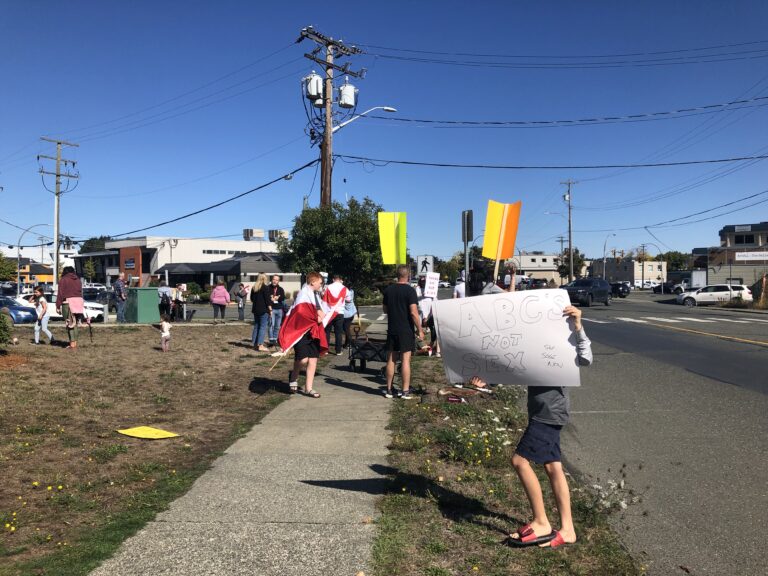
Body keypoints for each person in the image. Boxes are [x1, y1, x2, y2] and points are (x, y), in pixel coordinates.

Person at [506, 305, 592, 550]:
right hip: (540, 411)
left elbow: (586, 358)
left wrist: (578, 326)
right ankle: (568, 530)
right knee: (553, 467)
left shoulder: (564, 341)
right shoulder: (533, 343)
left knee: (519, 461)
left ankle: (542, 522)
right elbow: (511, 365)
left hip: (551, 413)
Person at [279, 272, 327, 397]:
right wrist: (315, 318)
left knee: (313, 360)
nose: (321, 285)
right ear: (313, 282)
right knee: (303, 359)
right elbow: (300, 312)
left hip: (314, 331)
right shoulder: (303, 293)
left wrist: (321, 314)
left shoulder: (315, 294)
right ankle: (294, 377)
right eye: (320, 282)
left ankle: (309, 388)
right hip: (302, 331)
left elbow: (319, 308)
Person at [382, 265, 423, 399]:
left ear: (397, 275)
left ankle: (389, 389)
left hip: (392, 328)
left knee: (391, 360)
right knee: (405, 360)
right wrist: (420, 329)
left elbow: (385, 310)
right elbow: (413, 312)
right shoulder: (410, 291)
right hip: (406, 330)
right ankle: (405, 391)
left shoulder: (388, 290)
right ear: (408, 275)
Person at [56, 266, 83, 350]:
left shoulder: (63, 280)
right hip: (79, 302)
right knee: (75, 324)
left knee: (70, 324)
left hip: (68, 302)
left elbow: (60, 293)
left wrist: (57, 305)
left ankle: (72, 344)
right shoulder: (78, 280)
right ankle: (75, 343)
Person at [322, 273, 347, 355]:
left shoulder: (328, 287)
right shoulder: (344, 288)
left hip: (329, 312)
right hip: (339, 312)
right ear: (340, 279)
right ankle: (338, 350)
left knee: (327, 331)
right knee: (338, 332)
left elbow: (323, 296)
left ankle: (325, 350)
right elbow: (349, 298)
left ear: (333, 279)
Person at [250, 274, 271, 351]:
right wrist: (270, 310)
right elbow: (267, 300)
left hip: (255, 309)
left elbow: (252, 298)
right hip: (263, 310)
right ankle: (260, 345)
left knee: (257, 326)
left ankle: (255, 344)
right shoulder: (265, 287)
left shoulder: (254, 287)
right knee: (262, 327)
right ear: (264, 279)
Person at [267, 275, 285, 347]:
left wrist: (277, 298)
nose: (275, 281)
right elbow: (266, 298)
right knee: (271, 325)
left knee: (277, 326)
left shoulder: (280, 289)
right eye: (274, 279)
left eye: (276, 280)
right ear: (272, 280)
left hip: (279, 309)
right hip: (272, 309)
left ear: (278, 281)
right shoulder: (268, 288)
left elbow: (283, 297)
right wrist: (270, 298)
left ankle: (275, 340)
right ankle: (271, 341)